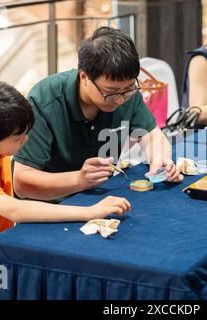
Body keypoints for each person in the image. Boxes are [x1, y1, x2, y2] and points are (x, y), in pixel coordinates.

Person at [0, 80, 131, 300]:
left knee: (67, 274)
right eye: (18, 138)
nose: (25, 140)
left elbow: (23, 200)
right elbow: (14, 210)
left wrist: (80, 184)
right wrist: (90, 212)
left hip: (7, 252)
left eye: (26, 133)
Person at [13, 26, 182, 203]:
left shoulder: (126, 94)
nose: (120, 100)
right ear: (84, 77)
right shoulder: (44, 99)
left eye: (129, 89)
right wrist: (79, 180)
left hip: (106, 197)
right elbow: (22, 182)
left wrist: (160, 161)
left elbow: (153, 137)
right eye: (111, 92)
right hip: (54, 206)